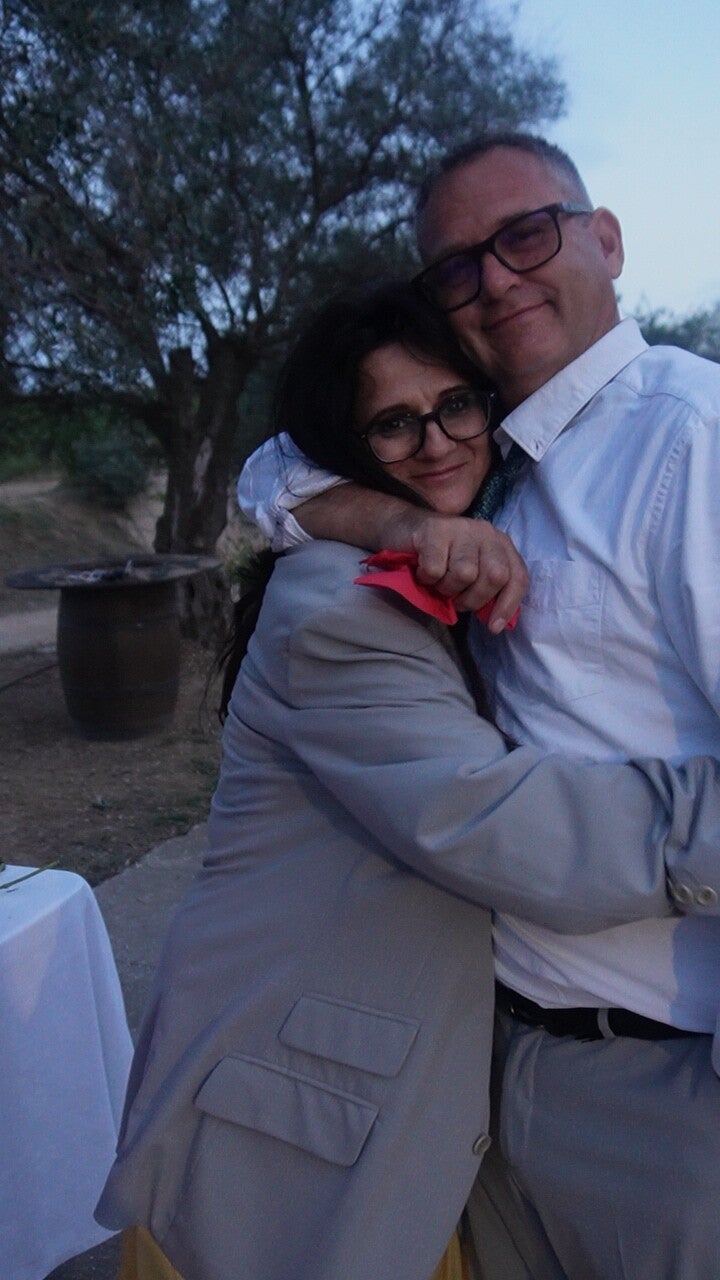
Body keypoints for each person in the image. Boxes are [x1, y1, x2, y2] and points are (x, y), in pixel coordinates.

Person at [97, 281, 720, 1280]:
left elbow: (277, 474)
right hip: (287, 1139)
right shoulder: (335, 607)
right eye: (393, 423)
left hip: (393, 1112)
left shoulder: (459, 540)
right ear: (347, 444)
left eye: (454, 406)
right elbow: (495, 821)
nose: (435, 442)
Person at [238, 134, 720, 1279]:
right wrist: (403, 521)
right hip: (499, 1065)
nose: (496, 280)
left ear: (606, 240)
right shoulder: (491, 447)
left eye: (526, 235)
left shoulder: (689, 440)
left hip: (666, 1091)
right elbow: (271, 473)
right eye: (458, 267)